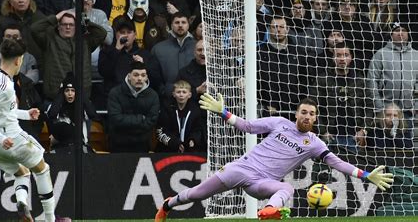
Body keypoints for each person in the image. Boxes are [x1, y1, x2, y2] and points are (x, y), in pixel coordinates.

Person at [155, 95, 394, 221]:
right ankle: (167, 205)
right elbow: (247, 126)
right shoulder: (279, 123)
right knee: (197, 194)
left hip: (262, 183)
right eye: (304, 112)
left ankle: (268, 212)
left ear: (316, 118)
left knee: (286, 188)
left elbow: (336, 162)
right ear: (296, 114)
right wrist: (223, 112)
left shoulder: (314, 143)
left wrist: (365, 174)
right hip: (242, 168)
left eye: (312, 114)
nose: (307, 116)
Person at [0, 38, 56, 221]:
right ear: (19, 60)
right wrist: (0, 138)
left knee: (22, 172)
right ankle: (50, 218)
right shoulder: (4, 86)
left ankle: (22, 204)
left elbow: (3, 112)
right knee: (43, 170)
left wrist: (27, 114)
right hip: (8, 139)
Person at [367, 22, 417, 127]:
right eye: (396, 31)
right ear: (391, 35)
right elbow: (372, 80)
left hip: (407, 111)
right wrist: (379, 106)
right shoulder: (380, 54)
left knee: (405, 142)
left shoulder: (416, 55)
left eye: (403, 30)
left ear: (408, 33)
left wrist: (415, 105)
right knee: (383, 142)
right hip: (385, 111)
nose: (400, 33)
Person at [107, 61, 159, 153]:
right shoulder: (115, 93)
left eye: (143, 75)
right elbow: (115, 119)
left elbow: (151, 121)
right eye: (136, 75)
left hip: (142, 144)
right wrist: (141, 118)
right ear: (129, 76)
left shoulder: (153, 95)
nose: (139, 78)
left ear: (147, 77)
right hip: (118, 144)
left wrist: (127, 122)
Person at [45, 73, 100, 154]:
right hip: (60, 147)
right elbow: (52, 114)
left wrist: (81, 93)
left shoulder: (83, 106)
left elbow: (93, 114)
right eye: (67, 90)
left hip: (80, 147)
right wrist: (61, 94)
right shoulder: (55, 106)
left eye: (73, 90)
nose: (70, 94)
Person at [156, 80, 204, 152]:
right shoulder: (166, 108)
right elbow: (161, 131)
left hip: (189, 149)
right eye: (178, 92)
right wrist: (176, 144)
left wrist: (193, 140)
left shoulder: (195, 110)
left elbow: (198, 129)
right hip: (168, 149)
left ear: (189, 95)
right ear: (173, 94)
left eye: (184, 92)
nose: (181, 95)